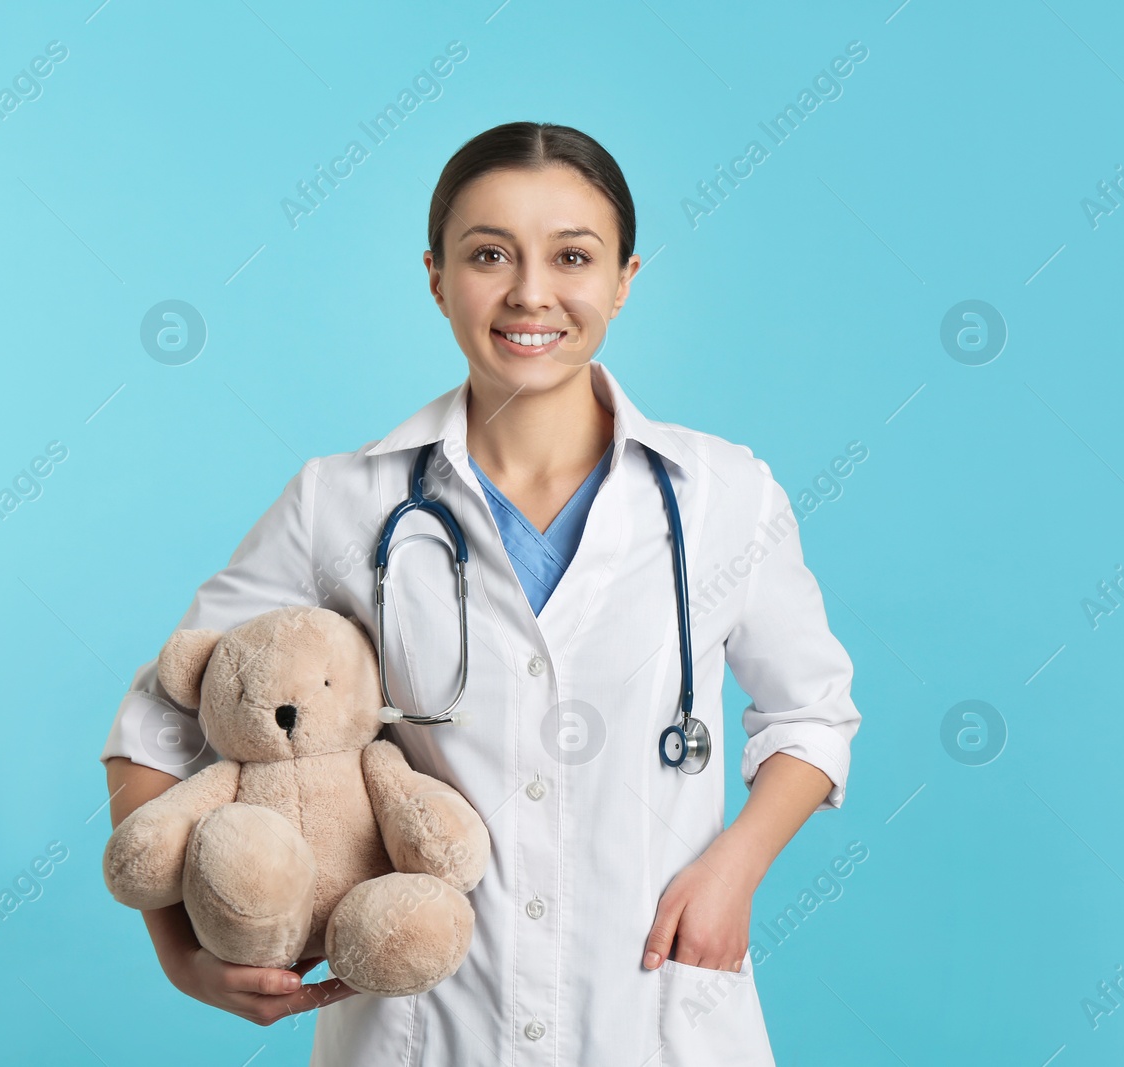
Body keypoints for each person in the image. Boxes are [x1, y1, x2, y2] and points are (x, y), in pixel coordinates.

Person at [100, 121, 862, 1066]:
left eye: (572, 256)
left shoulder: (724, 496)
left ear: (625, 279)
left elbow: (812, 714)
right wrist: (180, 953)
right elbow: (154, 722)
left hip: (654, 1022)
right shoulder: (343, 500)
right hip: (421, 1029)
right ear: (435, 276)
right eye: (488, 255)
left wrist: (733, 871)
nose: (530, 293)